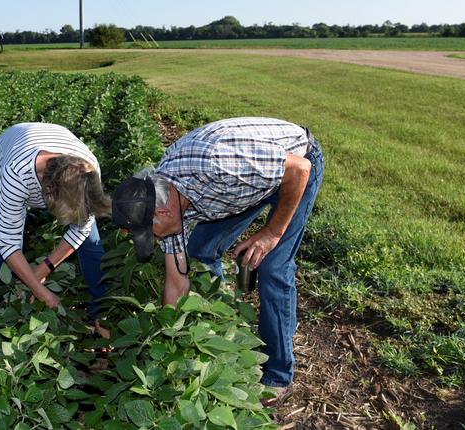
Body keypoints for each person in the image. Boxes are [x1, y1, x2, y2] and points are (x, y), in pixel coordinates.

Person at [111, 117, 324, 405]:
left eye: (150, 234)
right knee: (200, 249)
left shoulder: (216, 164)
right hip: (239, 189)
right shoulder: (168, 205)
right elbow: (176, 282)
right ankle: (223, 322)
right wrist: (169, 339)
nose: (155, 239)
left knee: (274, 267)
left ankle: (278, 375)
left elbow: (299, 170)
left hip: (295, 169)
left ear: (162, 214)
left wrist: (271, 232)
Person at [0, 122, 111, 336]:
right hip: (9, 148)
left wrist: (44, 268)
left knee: (92, 245)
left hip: (58, 137)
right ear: (48, 195)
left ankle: (100, 313)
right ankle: (7, 313)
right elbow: (9, 242)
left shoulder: (88, 168)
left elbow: (81, 230)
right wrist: (43, 293)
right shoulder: (15, 175)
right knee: (7, 254)